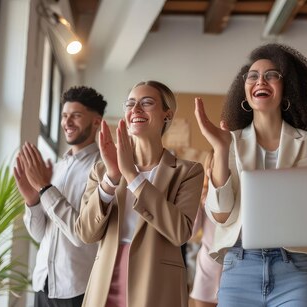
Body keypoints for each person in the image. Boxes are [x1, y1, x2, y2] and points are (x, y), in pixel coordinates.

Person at [194, 43, 307, 307]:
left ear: (287, 89)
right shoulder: (228, 142)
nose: (260, 80)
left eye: (271, 75)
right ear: (245, 91)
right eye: (253, 75)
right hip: (239, 268)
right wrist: (221, 149)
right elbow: (221, 215)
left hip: (294, 269)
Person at [75, 80, 204, 307]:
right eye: (130, 103)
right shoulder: (102, 169)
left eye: (147, 103)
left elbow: (180, 232)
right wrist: (112, 178)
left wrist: (133, 178)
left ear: (167, 114)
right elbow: (85, 233)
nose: (135, 109)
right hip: (105, 283)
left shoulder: (188, 171)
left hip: (157, 285)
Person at [13, 86, 107, 307]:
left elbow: (82, 234)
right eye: (65, 116)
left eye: (76, 115)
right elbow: (39, 235)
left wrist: (45, 188)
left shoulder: (103, 171)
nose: (67, 122)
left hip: (78, 288)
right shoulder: (53, 169)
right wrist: (32, 200)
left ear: (96, 121)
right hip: (42, 283)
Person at [189, 153, 222, 307]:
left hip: (234, 267)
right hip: (207, 268)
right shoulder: (202, 197)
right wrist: (195, 200)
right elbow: (191, 232)